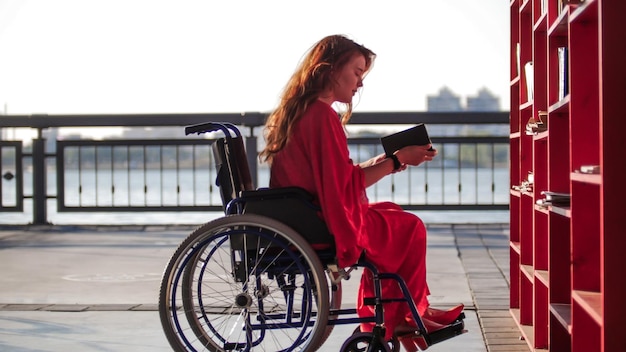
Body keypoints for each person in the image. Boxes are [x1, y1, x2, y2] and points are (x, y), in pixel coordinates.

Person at [259, 34, 463, 351]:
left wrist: (388, 161)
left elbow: (337, 178)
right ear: (329, 69)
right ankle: (404, 316)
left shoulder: (304, 112)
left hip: (305, 215)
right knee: (410, 227)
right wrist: (397, 159)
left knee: (392, 211)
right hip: (317, 222)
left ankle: (408, 312)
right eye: (356, 72)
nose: (359, 84)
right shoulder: (321, 116)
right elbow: (339, 187)